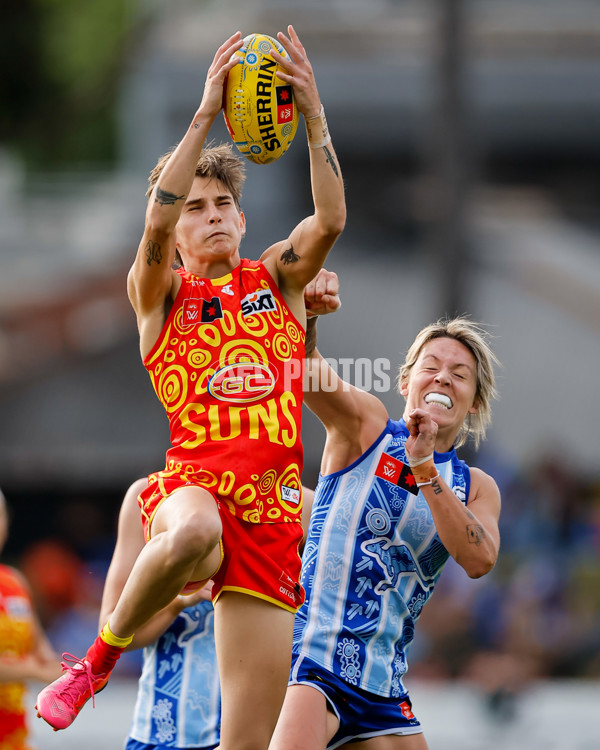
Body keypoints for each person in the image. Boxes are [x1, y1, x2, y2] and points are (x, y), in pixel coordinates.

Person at [36, 25, 345, 750]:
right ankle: (93, 666)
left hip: (269, 519)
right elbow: (155, 214)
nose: (208, 217)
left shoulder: (276, 277)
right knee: (199, 527)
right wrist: (206, 111)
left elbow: (330, 219)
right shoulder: (160, 297)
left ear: (241, 217)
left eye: (220, 206)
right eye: (194, 209)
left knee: (246, 743)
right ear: (175, 235)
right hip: (190, 495)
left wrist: (315, 114)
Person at [269, 272, 501, 749]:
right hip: (314, 659)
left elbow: (479, 560)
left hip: (383, 682)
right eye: (431, 366)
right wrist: (308, 318)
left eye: (459, 375)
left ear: (473, 403)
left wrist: (424, 467)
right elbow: (303, 371)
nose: (442, 378)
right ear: (405, 381)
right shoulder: (368, 428)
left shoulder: (475, 487)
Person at [99, 477, 316, 750]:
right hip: (164, 735)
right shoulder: (149, 496)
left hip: (260, 736)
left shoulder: (302, 505)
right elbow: (110, 628)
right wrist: (175, 599)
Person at [0, 488, 61, 749]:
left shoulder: (14, 582)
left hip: (15, 738)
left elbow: (44, 655)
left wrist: (79, 671)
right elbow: (39, 666)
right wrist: (33, 670)